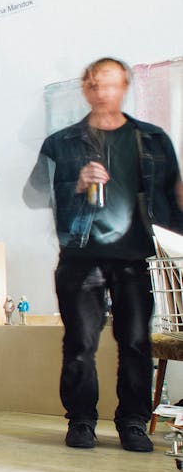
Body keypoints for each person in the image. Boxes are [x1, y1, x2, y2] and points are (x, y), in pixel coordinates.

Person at [27, 57, 183, 451]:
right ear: (85, 88)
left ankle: (132, 421)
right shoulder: (59, 143)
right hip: (80, 258)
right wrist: (74, 183)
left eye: (110, 85)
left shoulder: (152, 139)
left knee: (135, 342)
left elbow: (173, 200)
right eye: (94, 84)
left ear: (124, 87)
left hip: (134, 259)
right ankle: (81, 420)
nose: (102, 92)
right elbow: (32, 195)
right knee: (80, 342)